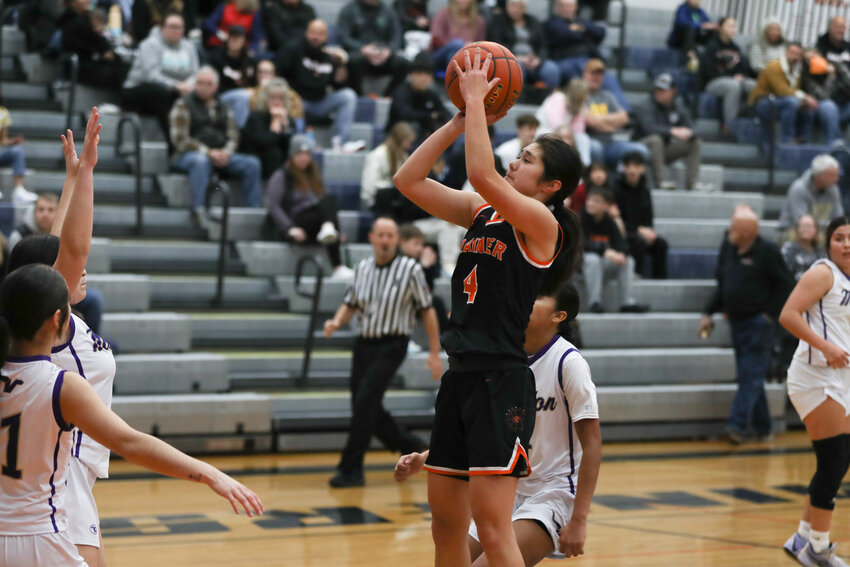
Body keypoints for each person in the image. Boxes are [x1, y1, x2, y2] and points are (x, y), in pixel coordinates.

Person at [393, 48, 583, 566]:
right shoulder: (484, 211)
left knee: (494, 530)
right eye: (518, 153)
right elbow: (408, 181)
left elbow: (480, 172)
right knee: (446, 527)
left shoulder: (545, 226)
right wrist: (458, 119)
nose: (515, 160)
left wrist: (477, 98)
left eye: (527, 160)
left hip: (501, 380)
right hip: (460, 376)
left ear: (550, 187)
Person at [0, 265, 263, 567]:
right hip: (42, 539)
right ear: (57, 319)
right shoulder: (61, 385)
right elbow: (131, 444)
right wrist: (210, 474)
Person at [395, 283, 601, 565]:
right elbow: (490, 433)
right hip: (506, 490)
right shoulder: (504, 359)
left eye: (539, 295)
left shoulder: (568, 362)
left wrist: (579, 520)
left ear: (559, 316)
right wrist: (425, 458)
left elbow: (592, 446)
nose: (526, 296)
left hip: (553, 494)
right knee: (450, 554)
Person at [323, 217, 441, 487]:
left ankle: (351, 469)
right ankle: (412, 445)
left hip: (393, 343)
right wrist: (336, 321)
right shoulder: (362, 268)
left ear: (396, 240)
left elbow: (428, 310)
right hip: (364, 343)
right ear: (372, 238)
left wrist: (434, 352)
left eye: (391, 235)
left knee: (365, 402)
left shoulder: (410, 269)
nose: (386, 240)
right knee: (365, 406)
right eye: (381, 235)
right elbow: (350, 303)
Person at [779, 216, 850, 566]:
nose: (847, 244)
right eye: (839, 237)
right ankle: (818, 550)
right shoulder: (823, 273)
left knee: (833, 462)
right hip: (813, 376)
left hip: (841, 379)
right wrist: (825, 347)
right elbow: (788, 315)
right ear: (828, 243)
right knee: (835, 460)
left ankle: (803, 538)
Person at [698, 205, 794, 443]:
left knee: (749, 374)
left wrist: (769, 316)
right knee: (750, 375)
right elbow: (725, 285)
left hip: (758, 324)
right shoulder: (730, 250)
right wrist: (709, 311)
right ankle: (763, 427)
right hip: (737, 323)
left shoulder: (768, 252)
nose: (730, 231)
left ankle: (737, 425)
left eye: (734, 228)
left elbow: (785, 285)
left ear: (749, 232)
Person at [170, 66, 263, 223]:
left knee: (252, 164)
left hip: (220, 154)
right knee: (200, 161)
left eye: (208, 83)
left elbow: (233, 136)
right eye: (200, 83)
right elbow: (179, 139)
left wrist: (226, 152)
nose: (204, 87)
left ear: (216, 86)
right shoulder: (183, 104)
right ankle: (198, 211)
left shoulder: (224, 107)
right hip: (187, 155)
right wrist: (208, 152)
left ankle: (252, 213)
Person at [264, 135, 353, 280]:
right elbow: (273, 205)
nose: (303, 158)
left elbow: (328, 204)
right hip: (297, 221)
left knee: (329, 200)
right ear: (292, 155)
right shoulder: (282, 175)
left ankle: (330, 234)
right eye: (299, 154)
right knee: (326, 207)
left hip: (317, 222)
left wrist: (339, 230)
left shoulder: (314, 176)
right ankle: (332, 242)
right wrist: (289, 228)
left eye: (306, 154)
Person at [277, 19, 363, 151]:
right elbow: (279, 74)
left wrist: (342, 68)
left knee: (348, 95)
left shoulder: (331, 56)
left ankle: (341, 142)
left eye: (320, 33)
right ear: (306, 33)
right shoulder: (293, 48)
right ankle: (299, 145)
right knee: (290, 100)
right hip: (297, 102)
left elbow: (337, 85)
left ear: (326, 36)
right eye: (312, 33)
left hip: (320, 102)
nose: (316, 37)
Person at [121, 13, 200, 140]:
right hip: (138, 90)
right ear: (163, 28)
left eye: (178, 27)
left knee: (201, 91)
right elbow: (151, 76)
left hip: (177, 90)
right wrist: (177, 86)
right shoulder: (150, 44)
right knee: (161, 92)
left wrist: (189, 85)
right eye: (171, 26)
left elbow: (195, 73)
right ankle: (172, 142)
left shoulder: (189, 46)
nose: (175, 30)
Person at [580, 187, 648, 313]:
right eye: (589, 200)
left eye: (596, 201)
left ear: (606, 205)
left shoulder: (609, 222)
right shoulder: (580, 218)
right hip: (580, 267)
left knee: (628, 260)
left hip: (602, 263)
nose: (590, 203)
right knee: (592, 259)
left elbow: (622, 244)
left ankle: (627, 302)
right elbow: (580, 244)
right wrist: (605, 251)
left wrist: (622, 254)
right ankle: (595, 302)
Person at [633, 72, 702, 191]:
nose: (659, 93)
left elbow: (693, 127)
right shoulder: (645, 106)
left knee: (695, 142)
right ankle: (661, 181)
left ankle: (692, 184)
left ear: (673, 91)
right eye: (657, 90)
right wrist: (672, 131)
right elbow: (648, 128)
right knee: (656, 140)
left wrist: (688, 132)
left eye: (663, 90)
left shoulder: (677, 107)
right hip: (641, 147)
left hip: (664, 150)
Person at [583, 59, 649, 169]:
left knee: (641, 150)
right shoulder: (580, 95)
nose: (597, 77)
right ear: (584, 74)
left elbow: (624, 118)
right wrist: (611, 123)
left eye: (600, 74)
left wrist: (599, 121)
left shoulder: (608, 96)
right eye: (593, 73)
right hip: (588, 141)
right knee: (596, 148)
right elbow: (590, 121)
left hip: (610, 143)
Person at [612, 152, 668, 279]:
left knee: (661, 244)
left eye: (636, 166)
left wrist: (649, 231)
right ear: (624, 168)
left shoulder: (645, 190)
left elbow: (648, 217)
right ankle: (635, 275)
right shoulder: (616, 189)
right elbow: (615, 220)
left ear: (642, 168)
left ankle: (660, 279)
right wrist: (639, 230)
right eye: (628, 166)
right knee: (639, 241)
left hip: (640, 231)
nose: (632, 170)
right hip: (622, 232)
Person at [338, 0, 408, 96]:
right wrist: (362, 49)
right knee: (352, 60)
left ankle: (389, 96)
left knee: (403, 63)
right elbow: (344, 37)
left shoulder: (388, 11)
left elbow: (397, 36)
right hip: (361, 54)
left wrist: (389, 50)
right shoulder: (349, 10)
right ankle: (358, 96)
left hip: (383, 54)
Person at [487, 0, 559, 92]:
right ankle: (515, 102)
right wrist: (517, 58)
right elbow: (496, 45)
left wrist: (538, 59)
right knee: (517, 69)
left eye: (519, 6)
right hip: (510, 59)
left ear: (525, 8)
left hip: (533, 60)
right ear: (507, 6)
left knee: (552, 69)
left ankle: (548, 102)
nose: (516, 9)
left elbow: (543, 46)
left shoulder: (533, 22)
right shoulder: (498, 21)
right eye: (513, 5)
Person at [748, 42, 812, 145]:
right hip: (761, 101)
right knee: (791, 102)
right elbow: (781, 90)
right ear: (786, 52)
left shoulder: (796, 70)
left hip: (780, 102)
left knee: (806, 108)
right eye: (792, 52)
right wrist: (804, 97)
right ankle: (786, 140)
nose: (794, 56)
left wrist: (804, 101)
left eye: (798, 54)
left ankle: (802, 139)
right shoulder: (774, 66)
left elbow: (793, 91)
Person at [701, 17, 755, 136]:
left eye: (734, 26)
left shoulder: (736, 48)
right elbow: (709, 71)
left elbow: (744, 67)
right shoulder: (711, 46)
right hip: (713, 82)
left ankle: (752, 122)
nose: (733, 29)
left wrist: (741, 75)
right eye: (729, 26)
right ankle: (729, 125)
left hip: (733, 79)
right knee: (733, 85)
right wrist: (732, 77)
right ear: (720, 28)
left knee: (753, 85)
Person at [58, 2, 129, 89]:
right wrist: (105, 53)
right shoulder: (73, 22)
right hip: (83, 69)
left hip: (92, 65)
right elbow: (98, 45)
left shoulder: (86, 18)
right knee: (125, 72)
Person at [387, 53, 451, 140]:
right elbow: (405, 115)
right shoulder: (401, 92)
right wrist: (430, 116)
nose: (423, 78)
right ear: (411, 75)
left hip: (424, 139)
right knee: (413, 126)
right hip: (396, 139)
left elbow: (446, 114)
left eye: (427, 74)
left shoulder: (431, 95)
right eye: (419, 73)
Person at [240, 77, 295, 177]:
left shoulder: (288, 119)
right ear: (266, 98)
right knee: (274, 154)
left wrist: (285, 127)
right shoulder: (256, 116)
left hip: (278, 161)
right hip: (256, 157)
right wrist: (275, 124)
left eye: (280, 98)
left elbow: (290, 148)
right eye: (273, 97)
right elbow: (262, 143)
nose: (277, 101)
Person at [778, 154, 843, 237]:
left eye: (836, 175)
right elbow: (802, 223)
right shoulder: (799, 189)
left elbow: (838, 218)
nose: (836, 179)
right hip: (791, 231)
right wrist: (830, 224)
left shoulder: (833, 189)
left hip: (822, 231)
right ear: (819, 176)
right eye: (832, 176)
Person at [208, 24, 257, 129]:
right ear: (227, 39)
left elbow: (253, 82)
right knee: (243, 96)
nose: (235, 41)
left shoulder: (249, 60)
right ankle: (241, 132)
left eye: (239, 38)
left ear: (244, 40)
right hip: (222, 96)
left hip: (247, 95)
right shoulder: (216, 57)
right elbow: (213, 84)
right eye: (233, 37)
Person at [362, 121, 417, 213]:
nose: (410, 146)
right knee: (386, 194)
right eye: (408, 142)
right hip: (378, 200)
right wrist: (391, 187)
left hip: (394, 197)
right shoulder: (377, 155)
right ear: (400, 139)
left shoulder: (403, 155)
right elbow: (369, 187)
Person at [536, 78, 591, 166]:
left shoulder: (577, 107)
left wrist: (580, 112)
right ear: (578, 94)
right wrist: (568, 135)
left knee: (583, 138)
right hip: (546, 131)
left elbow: (579, 131)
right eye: (585, 94)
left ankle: (583, 166)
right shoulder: (558, 98)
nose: (587, 97)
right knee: (560, 136)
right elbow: (556, 125)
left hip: (564, 134)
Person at [429, 0, 486, 71]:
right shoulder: (444, 14)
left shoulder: (478, 21)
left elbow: (480, 44)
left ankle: (455, 79)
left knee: (454, 55)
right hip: (439, 55)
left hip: (465, 56)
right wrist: (462, 45)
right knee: (456, 45)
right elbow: (436, 39)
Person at [0, 105, 36, 204]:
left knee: (17, 151)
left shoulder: (3, 112)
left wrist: (13, 141)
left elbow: (2, 140)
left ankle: (19, 191)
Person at [666, 0, 716, 66]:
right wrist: (700, 25)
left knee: (713, 31)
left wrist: (713, 26)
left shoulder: (700, 11)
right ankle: (691, 54)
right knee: (689, 29)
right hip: (679, 40)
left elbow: (707, 23)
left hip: (694, 39)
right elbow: (682, 23)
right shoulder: (682, 9)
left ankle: (713, 54)